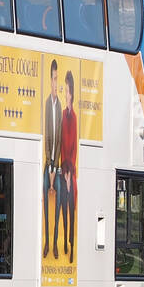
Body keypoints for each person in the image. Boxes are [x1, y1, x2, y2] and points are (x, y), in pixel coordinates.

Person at [42, 58, 62, 258]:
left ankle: (55, 242)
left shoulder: (60, 106)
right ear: (50, 81)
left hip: (57, 165)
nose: (56, 83)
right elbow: (47, 136)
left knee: (57, 207)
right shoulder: (47, 104)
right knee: (45, 206)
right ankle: (47, 243)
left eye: (58, 79)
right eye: (54, 79)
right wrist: (49, 166)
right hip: (48, 164)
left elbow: (60, 138)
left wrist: (57, 167)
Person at [58, 70, 79, 257]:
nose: (66, 94)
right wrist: (63, 171)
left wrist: (70, 173)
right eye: (64, 90)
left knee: (71, 206)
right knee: (63, 207)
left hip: (71, 171)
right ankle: (64, 242)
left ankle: (71, 245)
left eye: (67, 90)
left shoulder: (74, 118)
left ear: (72, 93)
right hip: (63, 169)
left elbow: (74, 148)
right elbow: (61, 145)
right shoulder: (62, 115)